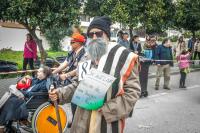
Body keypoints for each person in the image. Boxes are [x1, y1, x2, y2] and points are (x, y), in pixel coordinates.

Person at [49, 16, 141, 133]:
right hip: (81, 119)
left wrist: (107, 109)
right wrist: (60, 93)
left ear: (107, 35)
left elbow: (132, 93)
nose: (94, 37)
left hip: (106, 121)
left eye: (98, 33)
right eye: (90, 35)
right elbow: (79, 85)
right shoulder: (87, 57)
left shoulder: (124, 57)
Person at [0, 66, 52, 133]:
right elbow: (26, 83)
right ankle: (3, 123)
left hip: (31, 100)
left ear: (45, 74)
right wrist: (24, 78)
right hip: (26, 96)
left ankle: (2, 125)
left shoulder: (45, 84)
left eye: (39, 71)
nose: (37, 72)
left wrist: (23, 93)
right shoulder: (37, 80)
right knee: (8, 96)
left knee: (11, 101)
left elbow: (38, 95)